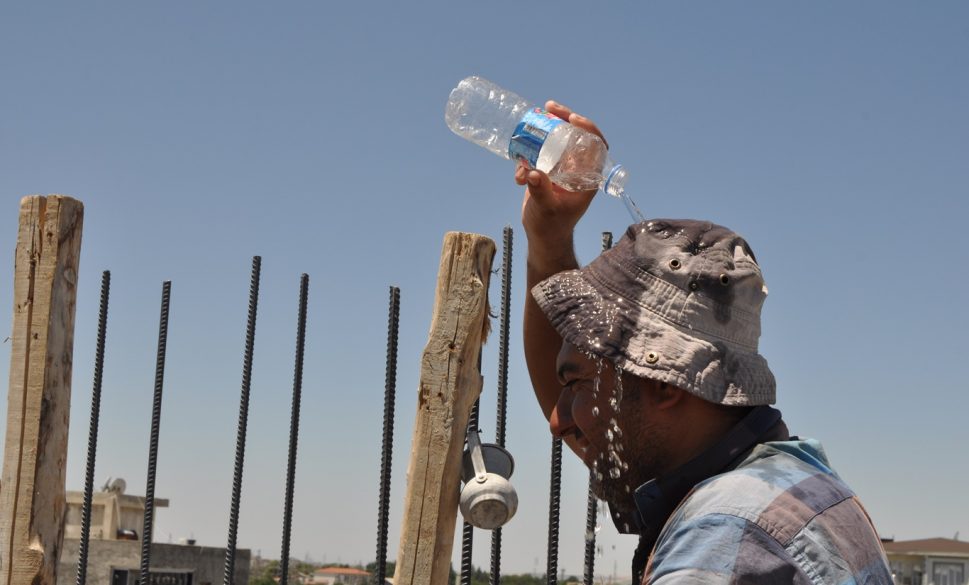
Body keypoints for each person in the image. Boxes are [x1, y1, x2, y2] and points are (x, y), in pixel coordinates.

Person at [517, 101, 892, 584]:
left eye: (575, 386)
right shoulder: (789, 480)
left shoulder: (724, 542)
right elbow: (602, 416)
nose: (555, 420)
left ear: (667, 385)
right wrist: (548, 238)